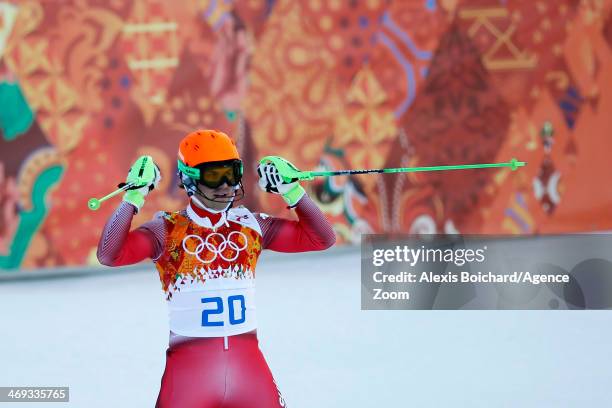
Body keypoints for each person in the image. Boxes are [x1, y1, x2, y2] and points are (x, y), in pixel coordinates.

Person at [96, 129, 335, 408]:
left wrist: (293, 192)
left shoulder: (251, 226)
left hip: (248, 370)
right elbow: (109, 254)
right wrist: (133, 198)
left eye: (232, 173)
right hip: (189, 374)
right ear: (189, 179)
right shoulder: (166, 230)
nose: (225, 185)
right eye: (213, 175)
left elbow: (322, 238)